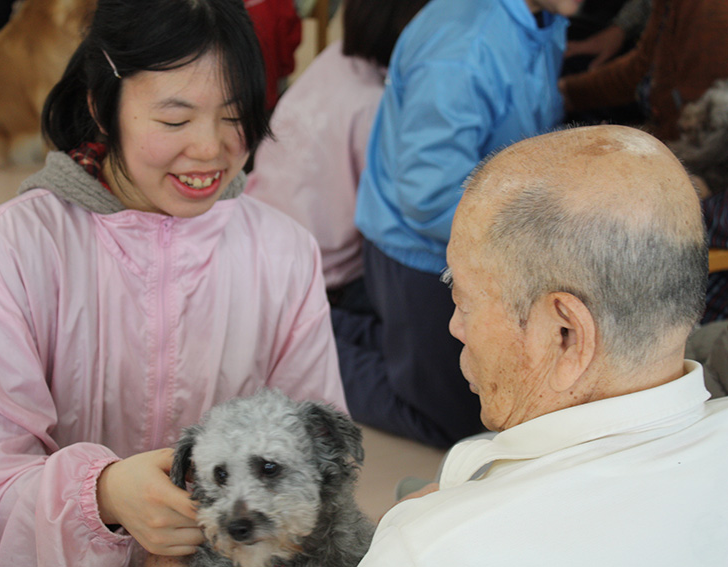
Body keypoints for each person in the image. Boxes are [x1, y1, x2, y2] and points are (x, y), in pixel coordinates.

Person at [0, 1, 346, 565]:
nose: (209, 149)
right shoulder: (16, 250)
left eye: (234, 116)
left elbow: (318, 455)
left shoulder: (283, 252)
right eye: (175, 120)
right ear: (102, 104)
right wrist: (104, 495)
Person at [358, 125, 728, 566]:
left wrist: (416, 532)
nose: (455, 326)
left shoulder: (432, 550)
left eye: (463, 299)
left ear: (564, 335)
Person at [332, 0, 578, 449]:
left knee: (474, 382)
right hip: (422, 250)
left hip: (479, 236)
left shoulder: (542, 18)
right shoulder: (462, 48)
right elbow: (428, 196)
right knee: (457, 424)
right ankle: (298, 352)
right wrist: (534, 247)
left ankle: (335, 330)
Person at [245, 0, 430, 313]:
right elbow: (396, 211)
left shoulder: (333, 59)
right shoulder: (374, 107)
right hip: (321, 276)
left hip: (261, 237)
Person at [559, 0, 728, 142]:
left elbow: (693, 131)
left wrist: (623, 141)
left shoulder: (712, 15)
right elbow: (644, 67)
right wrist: (570, 92)